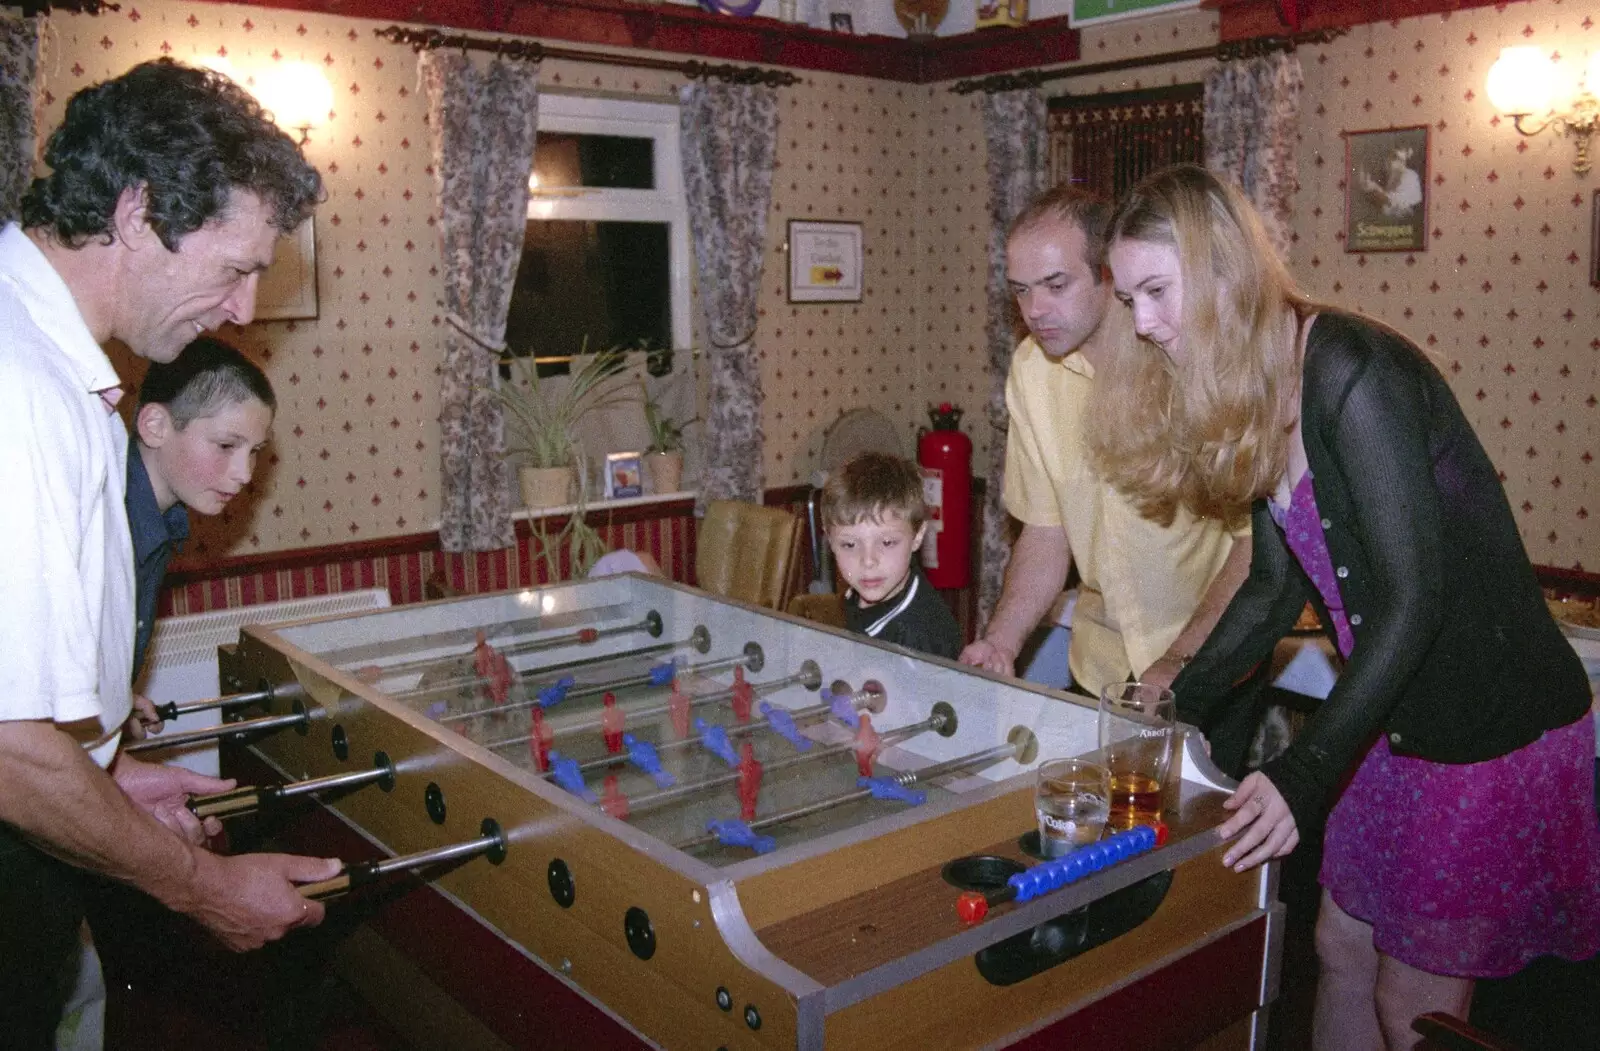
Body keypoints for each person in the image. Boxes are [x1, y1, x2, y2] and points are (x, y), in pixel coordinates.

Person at [1096, 163, 1600, 1049]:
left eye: (1155, 291)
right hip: (1392, 720)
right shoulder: (1260, 386)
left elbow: (1416, 597)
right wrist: (1173, 707)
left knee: (1416, 1001)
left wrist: (1304, 771)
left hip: (1484, 730)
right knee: (1338, 946)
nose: (1142, 323)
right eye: (1128, 296)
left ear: (1222, 272)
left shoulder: (1348, 369)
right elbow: (1270, 586)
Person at [0, 59, 339, 1048]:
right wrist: (205, 888)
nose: (240, 311)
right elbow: (13, 752)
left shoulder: (49, 358)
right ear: (140, 211)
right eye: (235, 267)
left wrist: (104, 774)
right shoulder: (19, 385)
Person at [958, 185, 1256, 758]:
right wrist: (1001, 641)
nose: (1035, 309)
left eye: (1055, 285)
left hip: (1206, 673)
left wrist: (1178, 664)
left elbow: (1255, 548)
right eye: (1021, 292)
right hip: (1100, 673)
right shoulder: (1031, 371)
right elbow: (1045, 534)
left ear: (1108, 275)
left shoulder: (1184, 362)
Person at [124, 336, 277, 740]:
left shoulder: (161, 519)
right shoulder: (110, 520)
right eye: (227, 445)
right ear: (156, 426)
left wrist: (113, 701)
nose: (245, 473)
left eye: (254, 450)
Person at [822, 451, 962, 659]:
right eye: (850, 544)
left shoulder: (918, 639)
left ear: (917, 536)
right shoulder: (858, 595)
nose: (868, 561)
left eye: (887, 543)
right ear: (830, 541)